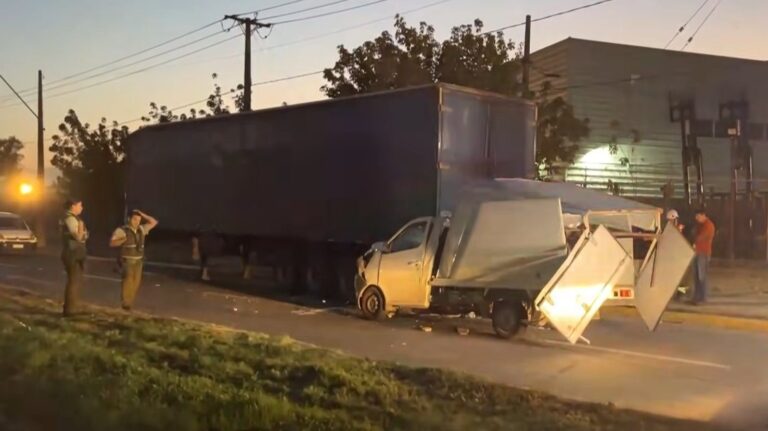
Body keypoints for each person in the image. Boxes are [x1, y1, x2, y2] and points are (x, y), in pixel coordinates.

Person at [110, 210, 158, 311]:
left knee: (136, 282)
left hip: (138, 261)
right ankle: (126, 304)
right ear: (129, 219)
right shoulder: (122, 230)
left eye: (139, 220)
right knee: (128, 282)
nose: (137, 222)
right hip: (127, 261)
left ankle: (129, 303)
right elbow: (112, 243)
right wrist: (122, 240)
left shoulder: (141, 229)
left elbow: (154, 222)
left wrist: (142, 214)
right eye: (135, 219)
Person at [60, 198, 88, 316]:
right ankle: (69, 311)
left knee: (75, 281)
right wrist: (81, 227)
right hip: (73, 253)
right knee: (73, 281)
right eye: (80, 205)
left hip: (75, 252)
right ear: (73, 206)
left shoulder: (71, 218)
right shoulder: (70, 218)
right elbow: (78, 237)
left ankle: (72, 308)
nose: (82, 208)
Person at [692, 208, 715, 305]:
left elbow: (700, 238)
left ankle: (703, 298)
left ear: (703, 215)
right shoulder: (700, 225)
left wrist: (694, 240)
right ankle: (697, 297)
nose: (696, 219)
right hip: (698, 252)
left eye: (698, 217)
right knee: (697, 276)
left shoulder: (708, 226)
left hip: (703, 253)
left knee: (702, 276)